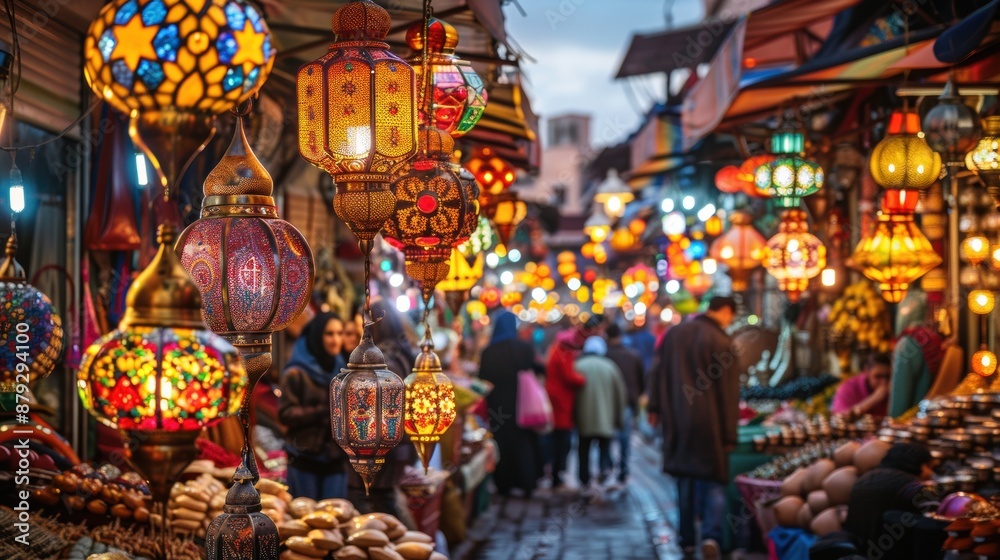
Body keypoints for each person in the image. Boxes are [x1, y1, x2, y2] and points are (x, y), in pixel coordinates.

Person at [646, 296, 738, 559]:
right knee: (714, 482)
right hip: (711, 424)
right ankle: (711, 535)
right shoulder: (722, 341)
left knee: (684, 481)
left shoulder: (674, 335)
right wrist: (729, 434)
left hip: (678, 419)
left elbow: (656, 372)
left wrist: (654, 407)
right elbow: (730, 394)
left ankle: (686, 538)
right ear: (725, 311)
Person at [346, 299, 417, 519]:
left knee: (377, 502)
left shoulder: (382, 361)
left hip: (379, 446)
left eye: (361, 326)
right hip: (398, 443)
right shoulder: (402, 353)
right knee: (384, 499)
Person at [279, 313, 349, 500]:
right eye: (329, 334)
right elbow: (286, 414)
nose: (336, 340)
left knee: (335, 513)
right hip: (305, 458)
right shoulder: (296, 372)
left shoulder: (342, 370)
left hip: (335, 458)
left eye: (339, 333)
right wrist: (322, 411)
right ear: (317, 336)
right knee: (305, 514)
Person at [479, 311, 544, 496]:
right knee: (524, 443)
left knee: (502, 443)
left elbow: (482, 380)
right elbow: (535, 368)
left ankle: (504, 484)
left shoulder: (489, 352)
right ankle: (527, 482)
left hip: (498, 407)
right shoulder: (524, 348)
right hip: (522, 405)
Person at [844, 443, 941, 560]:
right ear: (920, 465)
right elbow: (934, 525)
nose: (930, 473)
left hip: (857, 550)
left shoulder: (865, 479)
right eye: (929, 467)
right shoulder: (913, 487)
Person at [545, 314, 603, 490]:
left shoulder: (558, 349)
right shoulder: (564, 352)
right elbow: (570, 376)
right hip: (561, 401)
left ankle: (557, 473)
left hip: (558, 398)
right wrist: (585, 378)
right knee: (561, 441)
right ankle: (557, 475)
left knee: (559, 440)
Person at [573, 336, 627, 492]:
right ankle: (604, 470)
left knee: (583, 449)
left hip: (583, 418)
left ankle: (584, 479)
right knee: (605, 447)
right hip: (605, 419)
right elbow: (620, 395)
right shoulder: (610, 367)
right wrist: (619, 420)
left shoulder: (578, 365)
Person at [605, 322, 644, 484]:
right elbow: (641, 381)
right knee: (624, 438)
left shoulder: (605, 355)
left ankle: (607, 467)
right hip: (627, 402)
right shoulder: (633, 355)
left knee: (606, 437)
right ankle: (623, 470)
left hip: (607, 403)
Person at [832, 352, 891, 418]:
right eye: (878, 376)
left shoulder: (893, 388)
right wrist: (874, 399)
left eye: (888, 376)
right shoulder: (847, 388)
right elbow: (840, 417)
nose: (884, 382)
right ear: (866, 371)